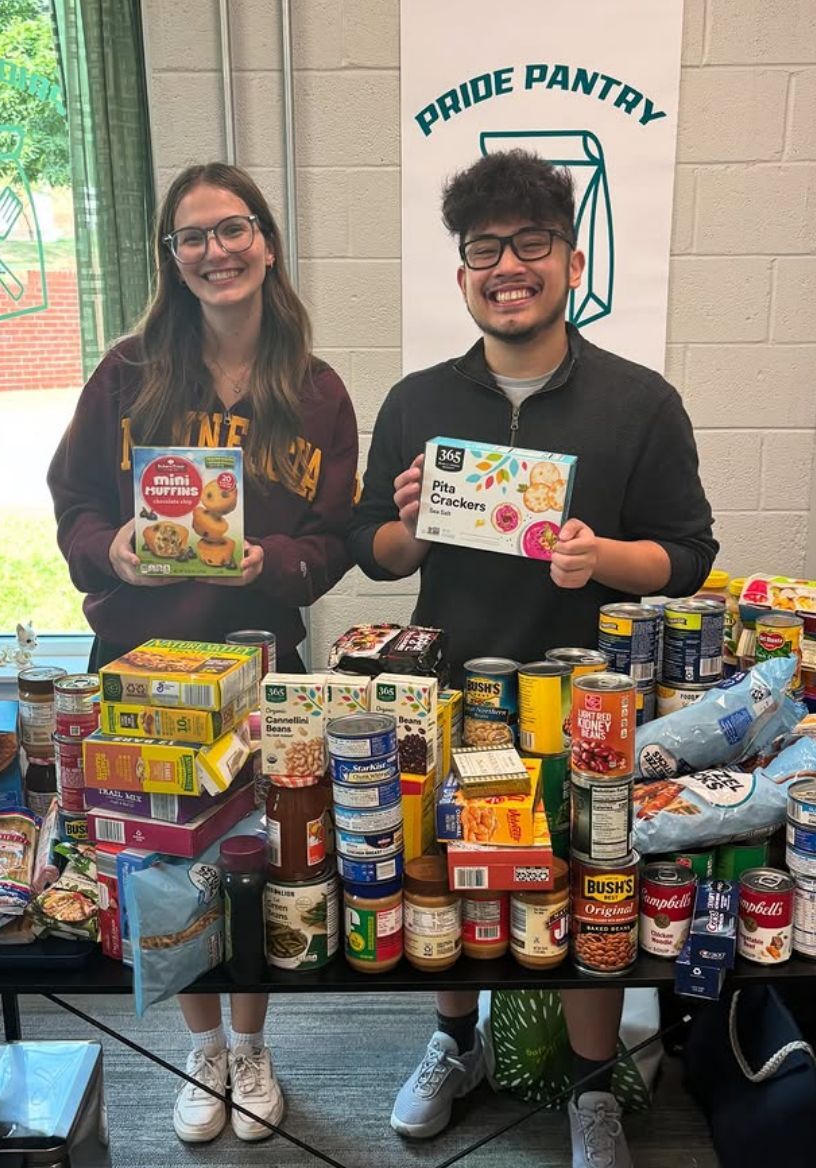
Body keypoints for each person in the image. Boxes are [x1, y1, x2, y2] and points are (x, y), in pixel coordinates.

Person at [348, 150, 717, 1168]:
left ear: (572, 260)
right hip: (452, 687)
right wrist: (409, 527)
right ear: (462, 272)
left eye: (530, 244)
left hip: (587, 699)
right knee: (446, 868)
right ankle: (455, 1041)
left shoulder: (640, 401)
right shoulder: (418, 399)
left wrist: (603, 558)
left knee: (585, 875)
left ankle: (592, 1084)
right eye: (484, 250)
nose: (507, 267)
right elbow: (371, 551)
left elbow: (689, 554)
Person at [48, 162, 358, 1145]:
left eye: (233, 229)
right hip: (140, 657)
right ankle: (203, 1046)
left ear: (265, 240)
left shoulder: (315, 390)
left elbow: (335, 539)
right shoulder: (128, 373)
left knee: (254, 856)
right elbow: (73, 501)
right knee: (161, 861)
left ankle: (252, 1045)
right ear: (171, 257)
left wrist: (275, 560)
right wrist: (112, 550)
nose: (215, 251)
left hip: (259, 660)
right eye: (192, 236)